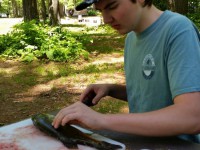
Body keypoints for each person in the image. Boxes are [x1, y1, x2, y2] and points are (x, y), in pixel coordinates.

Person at [52, 0, 200, 143]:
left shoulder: (178, 30)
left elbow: (192, 117)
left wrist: (101, 120)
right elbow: (152, 97)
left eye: (112, 6)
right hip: (142, 142)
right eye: (101, 11)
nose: (105, 19)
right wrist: (112, 89)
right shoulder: (131, 39)